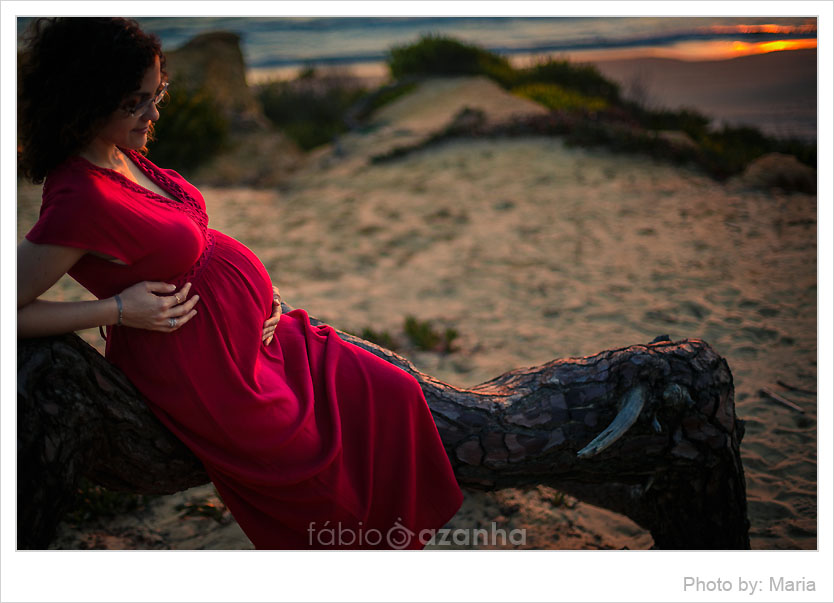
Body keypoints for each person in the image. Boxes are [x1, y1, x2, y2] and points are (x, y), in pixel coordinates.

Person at [17, 17, 463, 550]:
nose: (153, 112)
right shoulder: (77, 197)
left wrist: (258, 296)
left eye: (156, 94)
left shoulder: (118, 153)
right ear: (89, 97)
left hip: (263, 339)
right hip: (208, 373)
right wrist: (116, 310)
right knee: (323, 487)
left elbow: (183, 244)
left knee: (394, 391)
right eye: (136, 101)